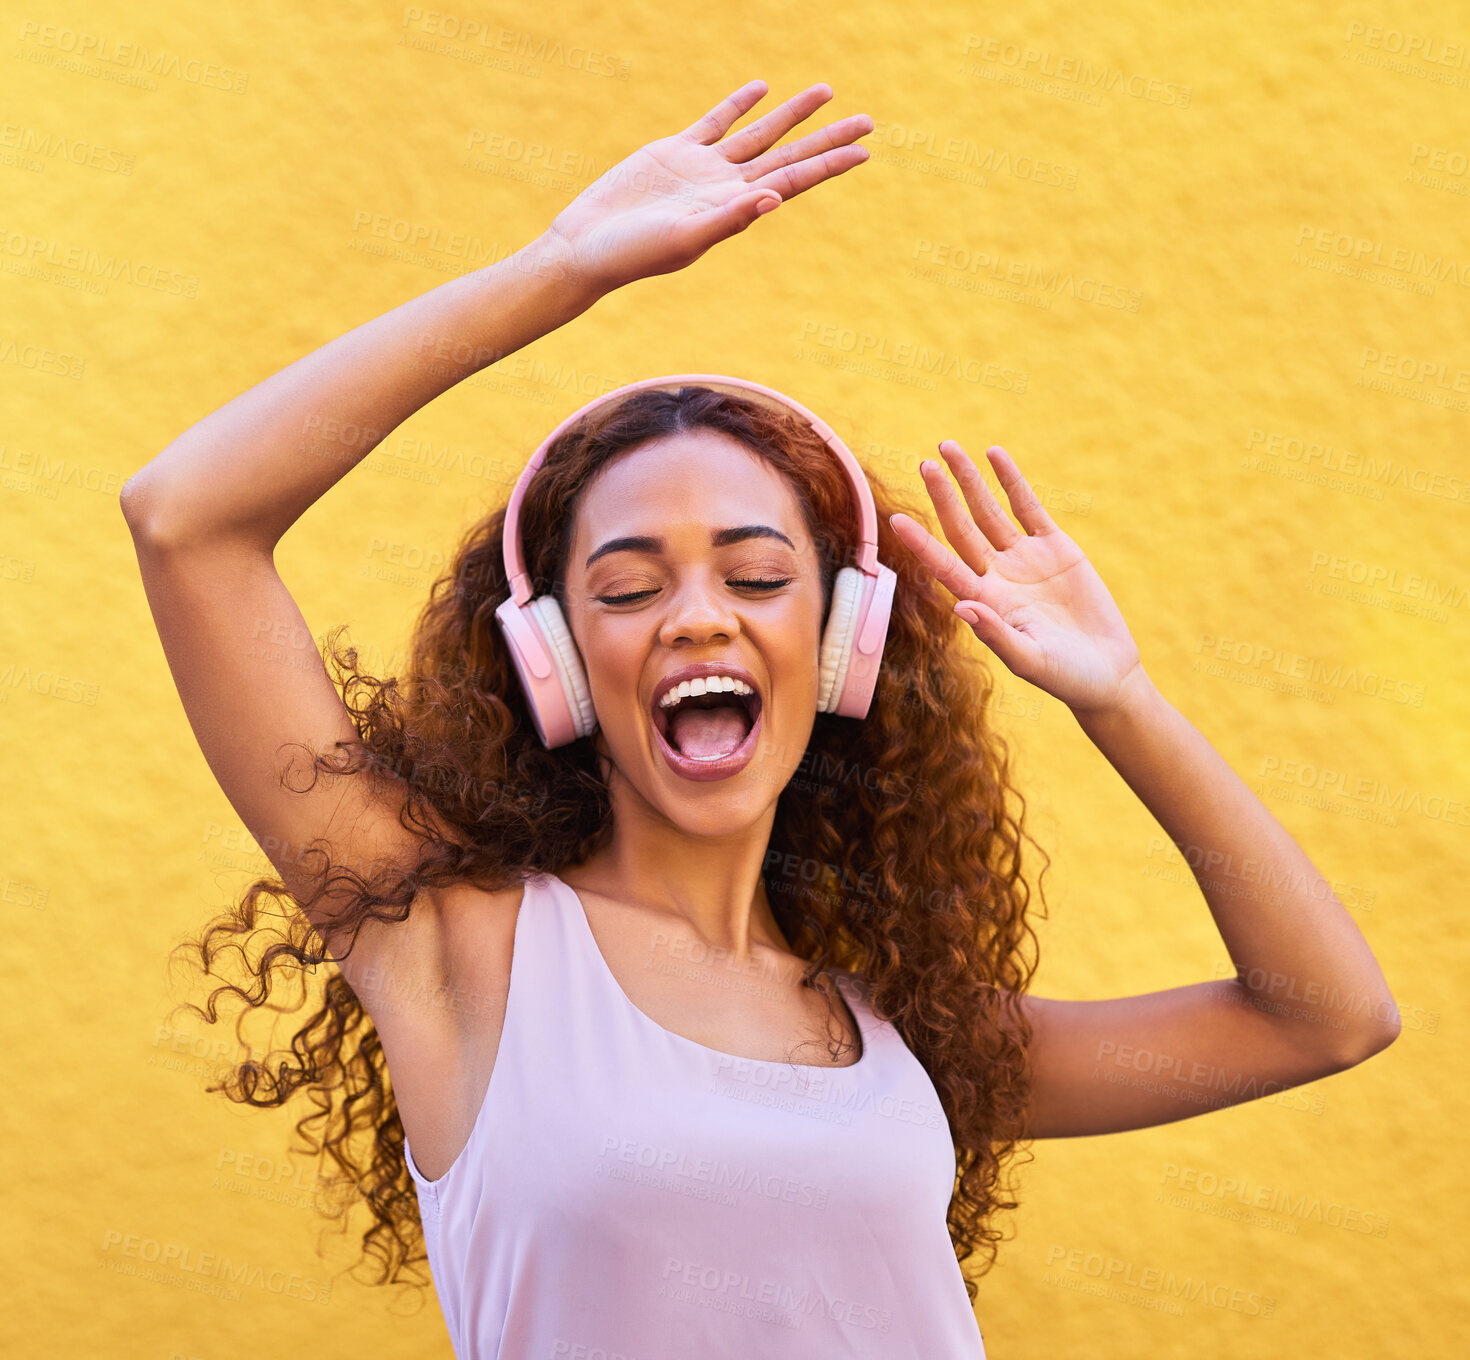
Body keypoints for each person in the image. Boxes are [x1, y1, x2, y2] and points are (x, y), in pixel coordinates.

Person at [120, 78, 1401, 1359]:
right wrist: (559, 270)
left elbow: (1324, 1014)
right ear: (553, 658)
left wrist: (1120, 698)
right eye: (627, 587)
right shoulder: (459, 950)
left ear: (841, 645)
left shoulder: (905, 1034)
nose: (695, 617)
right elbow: (188, 521)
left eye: (756, 575)